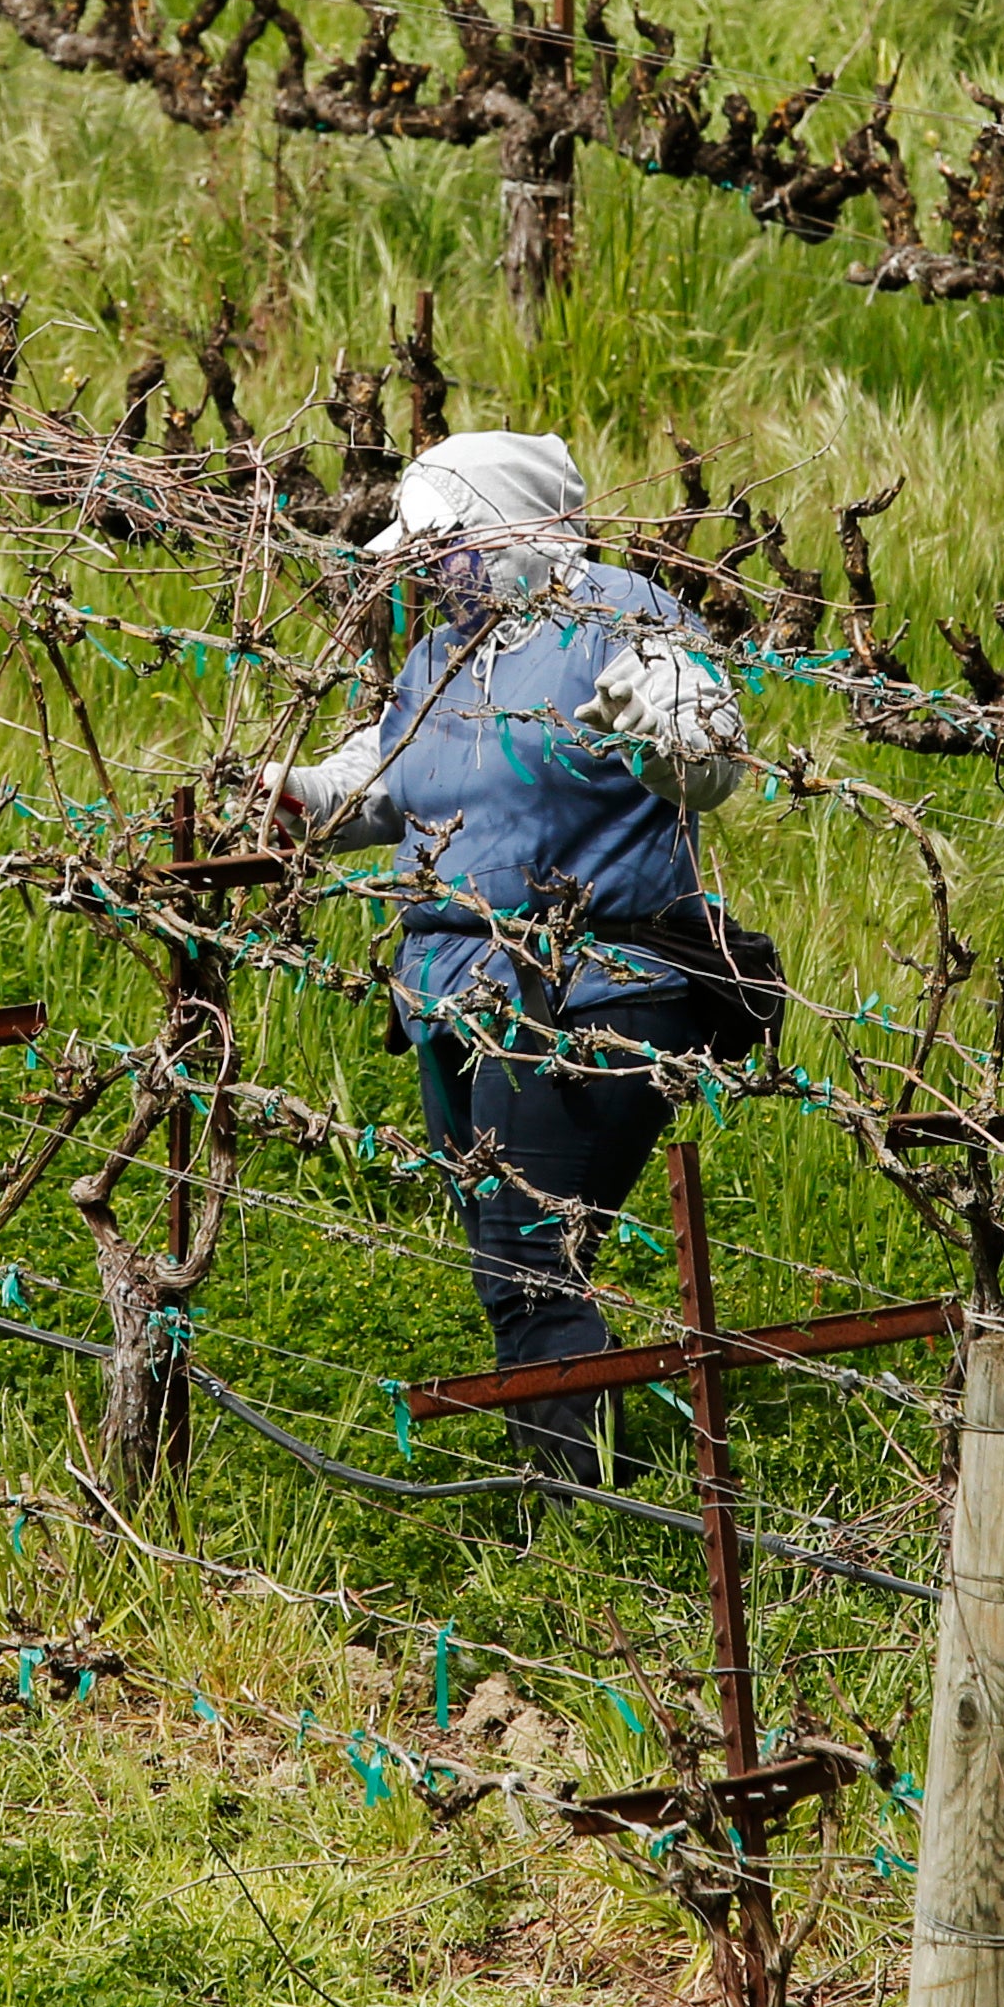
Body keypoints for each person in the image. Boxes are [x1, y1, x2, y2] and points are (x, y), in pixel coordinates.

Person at [265, 430, 774, 1491]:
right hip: (453, 1001)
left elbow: (705, 748)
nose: (429, 569)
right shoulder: (442, 652)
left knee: (524, 1258)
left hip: (595, 991)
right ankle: (583, 1482)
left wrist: (671, 734)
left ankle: (579, 1518)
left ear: (510, 530)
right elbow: (393, 774)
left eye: (446, 546)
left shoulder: (616, 618)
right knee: (513, 1250)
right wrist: (302, 795)